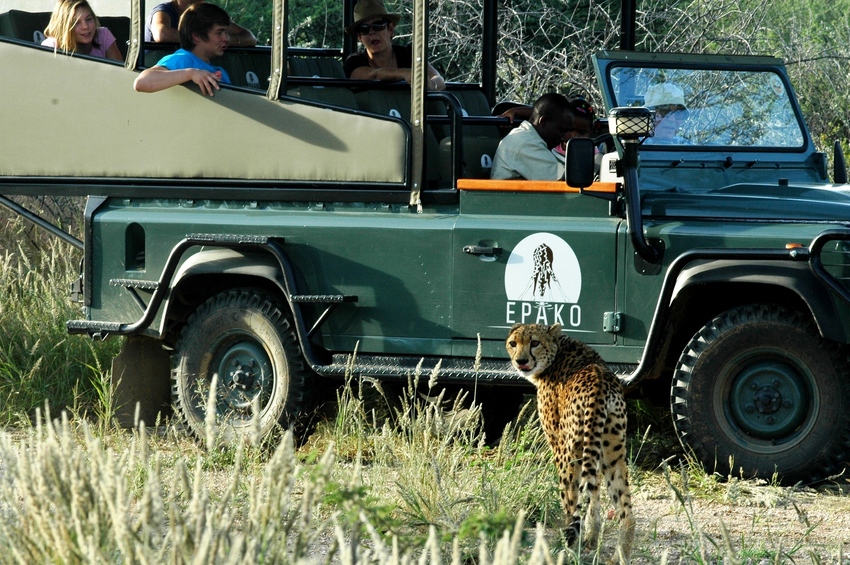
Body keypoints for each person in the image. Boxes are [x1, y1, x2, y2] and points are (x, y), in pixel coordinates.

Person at [343, 0, 445, 91]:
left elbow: (437, 78)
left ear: (390, 30)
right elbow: (373, 75)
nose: (371, 32)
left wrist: (431, 86)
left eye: (378, 25)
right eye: (364, 28)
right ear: (359, 37)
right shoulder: (354, 62)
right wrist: (405, 74)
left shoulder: (408, 55)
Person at [134, 3, 232, 96]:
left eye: (226, 33)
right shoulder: (183, 59)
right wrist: (191, 74)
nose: (226, 38)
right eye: (219, 33)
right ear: (196, 36)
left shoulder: (221, 72)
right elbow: (142, 82)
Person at [490, 93, 574, 181]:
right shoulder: (527, 142)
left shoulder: (530, 136)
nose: (564, 137)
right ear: (543, 122)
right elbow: (564, 181)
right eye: (562, 130)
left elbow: (539, 111)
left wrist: (516, 111)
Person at [145, 0, 256, 47]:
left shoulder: (205, 14)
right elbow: (162, 34)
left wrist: (226, 40)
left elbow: (250, 37)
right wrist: (204, 39)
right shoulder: (163, 11)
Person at [41, 0, 123, 62]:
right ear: (64, 27)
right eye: (76, 23)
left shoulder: (103, 35)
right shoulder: (51, 46)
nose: (85, 26)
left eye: (88, 19)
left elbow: (120, 74)